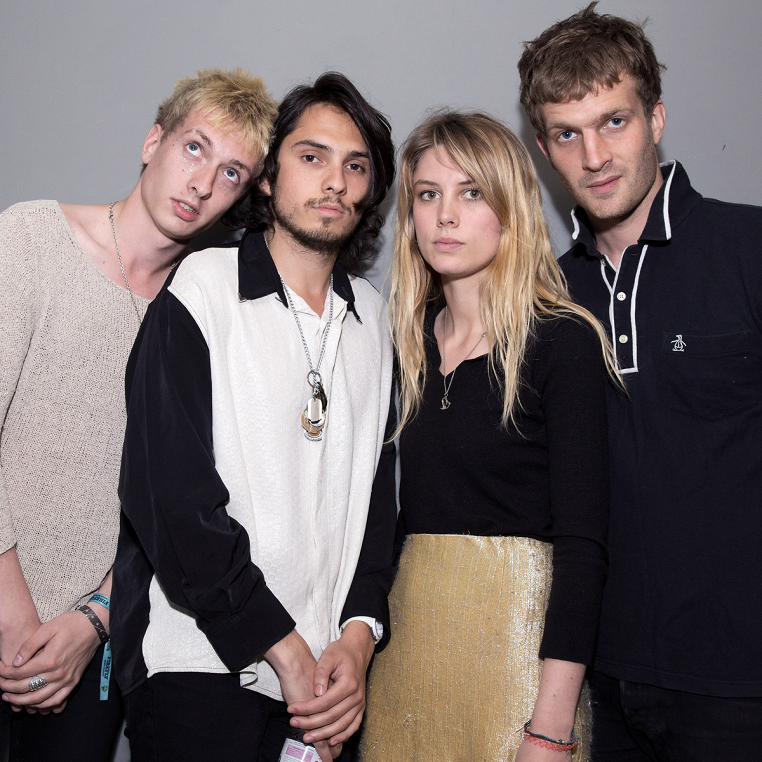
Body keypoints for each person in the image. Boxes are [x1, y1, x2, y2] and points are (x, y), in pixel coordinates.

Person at [111, 71, 397, 762]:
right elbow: (171, 496)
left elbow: (379, 509)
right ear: (267, 177)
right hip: (197, 673)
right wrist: (279, 643)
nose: (334, 181)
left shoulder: (375, 320)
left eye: (355, 166)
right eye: (312, 156)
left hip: (324, 687)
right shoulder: (201, 288)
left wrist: (358, 638)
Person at [0, 68, 276, 761]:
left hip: (93, 646)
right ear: (154, 142)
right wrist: (13, 615)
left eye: (231, 172)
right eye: (194, 148)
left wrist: (93, 619)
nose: (202, 182)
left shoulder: (203, 309)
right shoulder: (32, 239)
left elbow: (180, 498)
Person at [518, 4, 762, 760]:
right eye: (567, 134)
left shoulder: (749, 248)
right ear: (543, 149)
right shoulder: (547, 299)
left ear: (656, 117)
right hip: (601, 688)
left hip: (742, 687)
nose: (593, 155)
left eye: (614, 121)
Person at [360, 110, 615, 762]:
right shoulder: (404, 343)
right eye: (428, 194)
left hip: (519, 667)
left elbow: (584, 548)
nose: (445, 216)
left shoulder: (562, 340)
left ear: (510, 209)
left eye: (471, 192)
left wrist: (551, 727)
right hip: (405, 659)